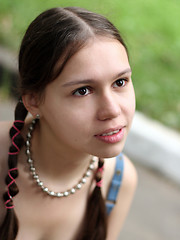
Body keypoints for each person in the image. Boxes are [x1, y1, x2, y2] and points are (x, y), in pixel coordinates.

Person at [0, 7, 137, 240]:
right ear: (33, 100)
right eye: (83, 91)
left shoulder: (119, 180)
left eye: (120, 82)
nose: (112, 110)